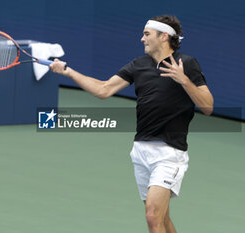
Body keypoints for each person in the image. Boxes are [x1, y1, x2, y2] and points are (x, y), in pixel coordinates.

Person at [50, 15, 214, 233]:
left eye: (147, 34)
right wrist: (67, 72)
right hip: (141, 151)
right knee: (161, 218)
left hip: (169, 153)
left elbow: (208, 106)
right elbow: (104, 89)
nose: (142, 39)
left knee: (152, 216)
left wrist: (183, 80)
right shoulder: (139, 65)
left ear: (163, 36)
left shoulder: (186, 64)